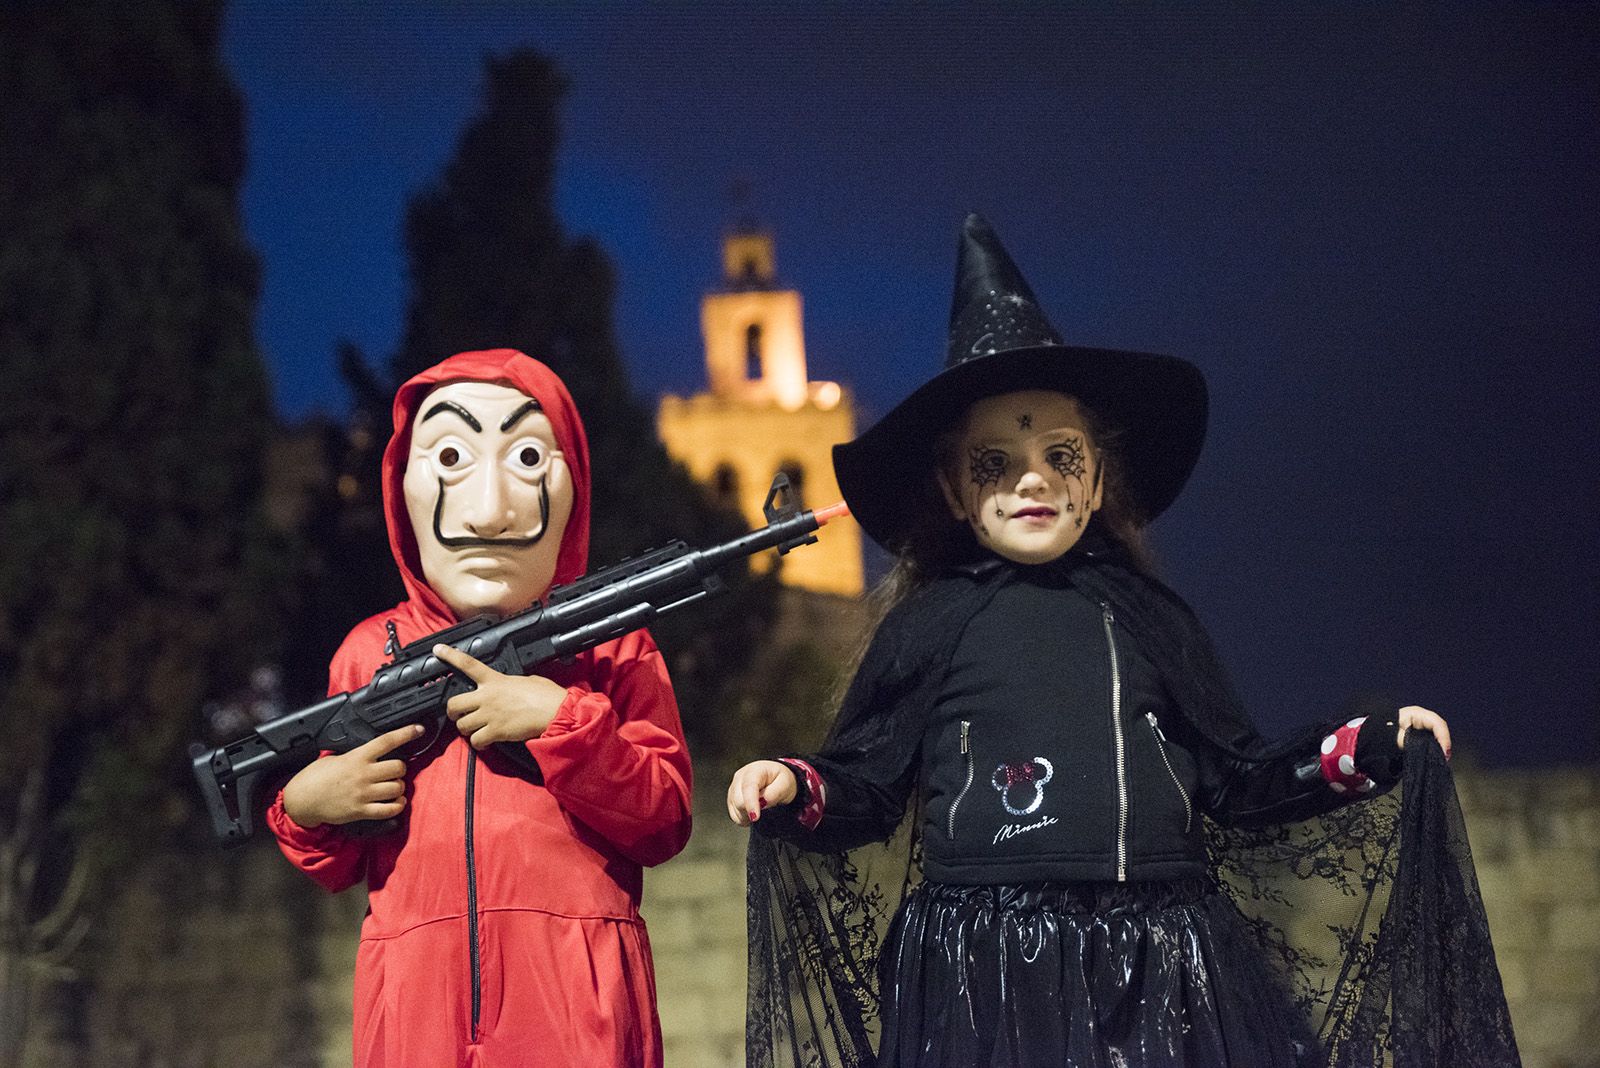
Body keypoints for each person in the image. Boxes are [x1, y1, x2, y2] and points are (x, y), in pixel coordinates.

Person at [729, 216, 1516, 1067]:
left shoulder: (1152, 617)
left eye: (1059, 453)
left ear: (1098, 477)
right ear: (956, 490)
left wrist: (1368, 747)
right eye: (995, 460)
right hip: (984, 976)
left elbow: (1241, 780)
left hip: (1165, 968)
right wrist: (794, 783)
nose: (1031, 478)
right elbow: (866, 784)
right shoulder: (930, 625)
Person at [269, 349, 692, 1068]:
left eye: (528, 455)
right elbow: (338, 861)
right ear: (401, 483)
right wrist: (305, 805)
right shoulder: (368, 651)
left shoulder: (615, 645)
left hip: (576, 999)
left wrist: (562, 723)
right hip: (414, 1007)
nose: (491, 507)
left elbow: (665, 818)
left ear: (571, 485)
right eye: (453, 456)